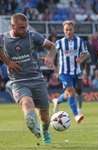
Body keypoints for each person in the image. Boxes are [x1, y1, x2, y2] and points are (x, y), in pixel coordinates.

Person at [0, 13, 57, 143]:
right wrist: (7, 62)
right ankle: (32, 124)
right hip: (18, 81)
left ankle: (45, 131)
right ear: (13, 26)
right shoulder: (3, 39)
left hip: (37, 79)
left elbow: (52, 47)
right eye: (21, 27)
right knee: (27, 103)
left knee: (45, 117)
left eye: (26, 27)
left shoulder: (32, 36)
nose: (25, 30)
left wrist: (50, 57)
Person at [53, 20, 88, 123]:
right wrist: (53, 66)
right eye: (66, 30)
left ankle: (57, 101)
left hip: (76, 71)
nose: (68, 32)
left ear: (73, 29)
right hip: (64, 72)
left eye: (70, 29)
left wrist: (81, 60)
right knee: (72, 91)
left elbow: (85, 53)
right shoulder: (60, 42)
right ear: (63, 31)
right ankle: (76, 115)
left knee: (68, 94)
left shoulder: (80, 41)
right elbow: (53, 53)